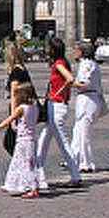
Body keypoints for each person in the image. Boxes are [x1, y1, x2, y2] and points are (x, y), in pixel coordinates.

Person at [36, 37, 82, 187]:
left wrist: (58, 92)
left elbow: (69, 78)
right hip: (56, 105)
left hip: (57, 105)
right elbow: (71, 81)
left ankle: (75, 175)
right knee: (44, 139)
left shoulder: (58, 64)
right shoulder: (62, 63)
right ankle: (38, 171)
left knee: (62, 142)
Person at [0, 82, 42, 198]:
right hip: (31, 139)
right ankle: (17, 184)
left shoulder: (21, 109)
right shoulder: (34, 107)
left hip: (23, 141)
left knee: (24, 163)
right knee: (25, 162)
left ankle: (31, 187)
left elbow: (7, 121)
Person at [70, 40, 103, 173]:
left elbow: (83, 84)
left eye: (76, 49)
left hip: (87, 98)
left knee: (84, 132)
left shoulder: (86, 65)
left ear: (82, 51)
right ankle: (73, 157)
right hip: (87, 97)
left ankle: (86, 162)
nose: (74, 52)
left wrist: (70, 82)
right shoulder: (90, 64)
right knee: (78, 130)